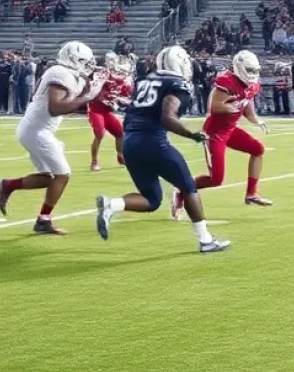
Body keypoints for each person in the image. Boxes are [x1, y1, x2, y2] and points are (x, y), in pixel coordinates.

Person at [95, 45, 231, 253]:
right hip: (153, 141)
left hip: (131, 142)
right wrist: (191, 134)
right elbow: (167, 117)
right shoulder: (177, 85)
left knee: (152, 199)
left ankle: (111, 205)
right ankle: (206, 240)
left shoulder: (144, 81)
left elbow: (131, 115)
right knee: (188, 187)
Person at [0, 41, 102, 235]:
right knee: (63, 175)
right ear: (74, 59)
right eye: (84, 61)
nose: (88, 65)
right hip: (37, 130)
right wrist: (88, 97)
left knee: (49, 178)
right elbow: (55, 108)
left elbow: (65, 101)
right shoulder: (60, 72)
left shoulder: (68, 74)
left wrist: (90, 89)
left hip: (38, 129)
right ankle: (43, 221)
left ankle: (7, 185)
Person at [185, 49, 272, 213]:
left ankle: (252, 193)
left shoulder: (253, 85)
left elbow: (247, 106)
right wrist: (232, 106)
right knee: (216, 179)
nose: (252, 74)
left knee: (258, 149)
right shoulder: (227, 81)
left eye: (255, 70)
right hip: (214, 133)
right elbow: (214, 106)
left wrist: (256, 120)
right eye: (250, 70)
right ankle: (182, 190)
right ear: (239, 67)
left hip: (230, 130)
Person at [89, 52, 132, 171]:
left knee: (120, 132)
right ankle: (94, 161)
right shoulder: (102, 75)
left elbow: (126, 97)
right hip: (96, 110)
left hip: (107, 112)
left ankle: (120, 155)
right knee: (99, 133)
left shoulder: (123, 83)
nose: (122, 74)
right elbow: (95, 90)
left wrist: (120, 100)